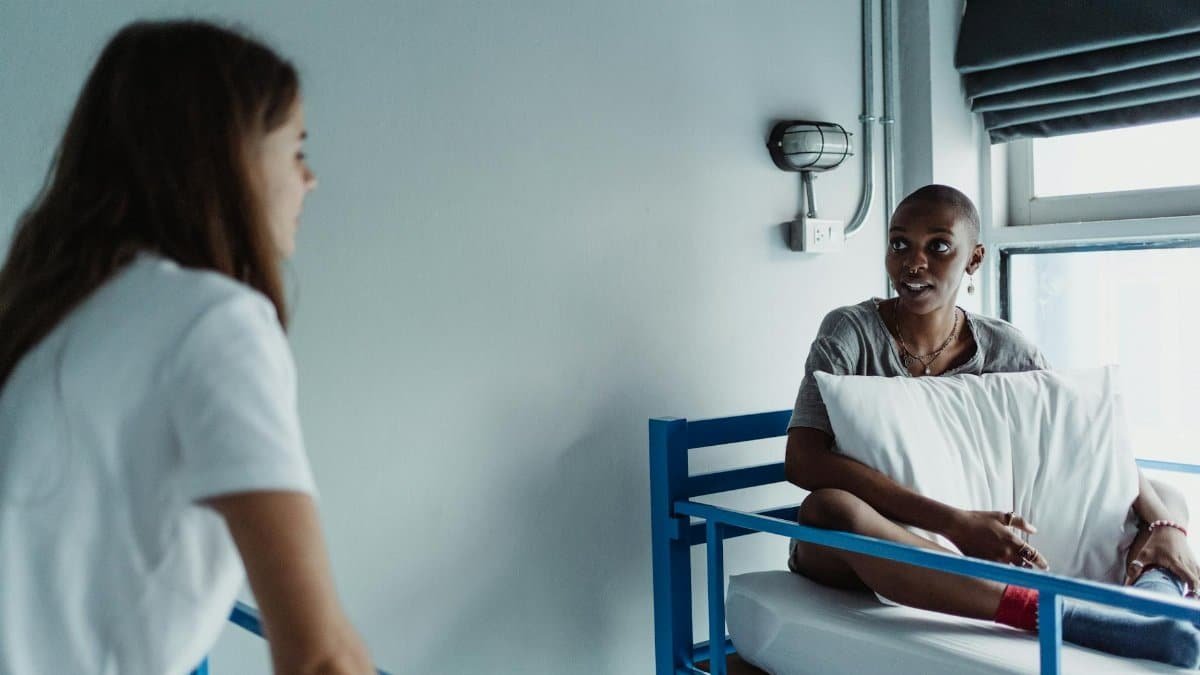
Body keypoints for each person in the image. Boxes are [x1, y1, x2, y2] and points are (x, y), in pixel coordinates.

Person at [0, 20, 374, 675]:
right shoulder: (216, 323)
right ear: (230, 157)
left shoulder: (43, 316)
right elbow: (320, 656)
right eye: (295, 149)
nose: (309, 179)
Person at [784, 184, 1200, 667]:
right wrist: (955, 524)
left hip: (984, 541)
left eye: (938, 246)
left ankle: (1154, 603)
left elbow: (1085, 443)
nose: (913, 262)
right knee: (829, 507)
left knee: (1165, 494)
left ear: (975, 259)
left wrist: (1167, 525)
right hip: (883, 542)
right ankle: (1059, 615)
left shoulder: (1008, 350)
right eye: (900, 244)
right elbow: (803, 460)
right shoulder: (850, 332)